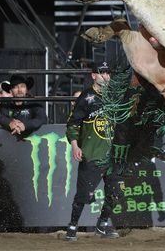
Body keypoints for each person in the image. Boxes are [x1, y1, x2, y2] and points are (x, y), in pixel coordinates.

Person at [65, 62, 121, 241]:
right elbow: (73, 123)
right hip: (92, 153)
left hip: (112, 155)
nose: (106, 76)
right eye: (102, 72)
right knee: (83, 194)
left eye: (108, 72)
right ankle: (72, 227)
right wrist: (75, 145)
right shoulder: (86, 97)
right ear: (93, 75)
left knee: (115, 191)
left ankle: (102, 224)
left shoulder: (114, 96)